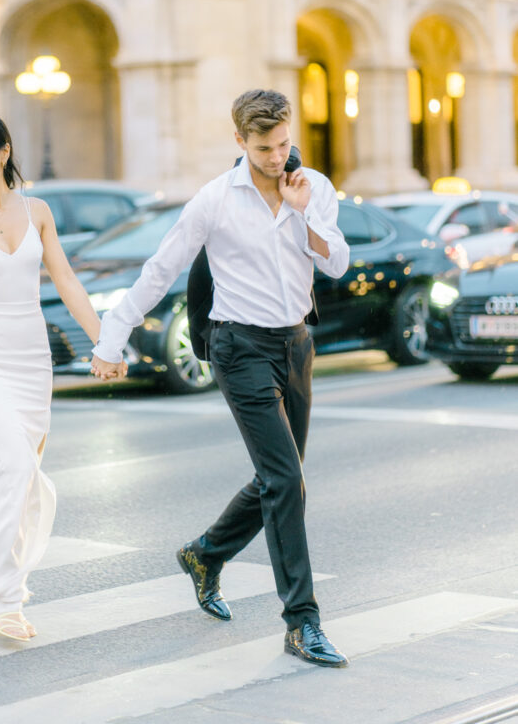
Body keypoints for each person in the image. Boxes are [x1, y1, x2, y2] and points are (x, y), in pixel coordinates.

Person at [91, 90, 350, 667]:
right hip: (239, 347)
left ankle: (205, 554)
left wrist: (304, 212)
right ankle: (301, 623)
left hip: (295, 344)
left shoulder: (313, 186)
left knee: (280, 477)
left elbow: (336, 263)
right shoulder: (213, 201)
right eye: (264, 147)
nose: (278, 156)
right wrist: (111, 339)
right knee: (286, 481)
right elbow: (159, 270)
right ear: (239, 141)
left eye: (284, 143)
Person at [0, 112, 126, 641]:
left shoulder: (37, 211)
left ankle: (1, 588)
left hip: (30, 360)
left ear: (4, 150)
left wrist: (106, 341)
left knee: (26, 482)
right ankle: (3, 598)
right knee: (14, 466)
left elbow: (65, 279)